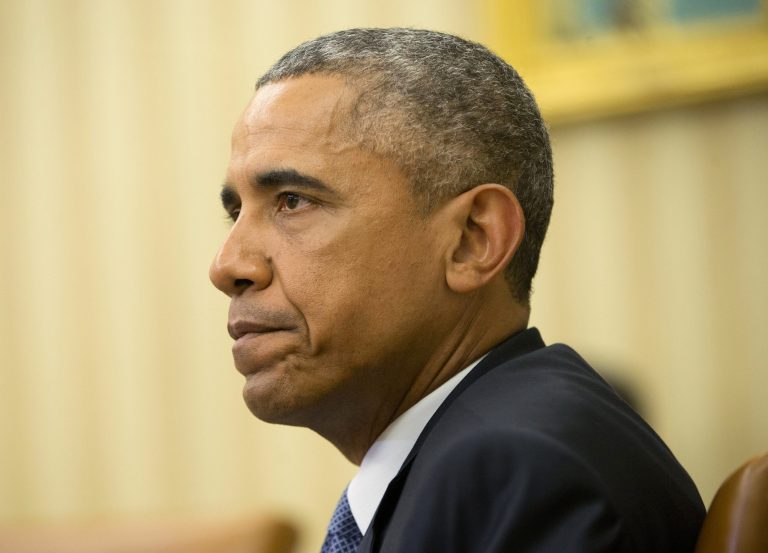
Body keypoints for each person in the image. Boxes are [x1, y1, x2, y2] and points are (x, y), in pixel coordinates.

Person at [209, 28, 705, 553]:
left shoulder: (520, 468)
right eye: (235, 212)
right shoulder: (467, 456)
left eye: (292, 200)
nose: (227, 265)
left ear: (473, 240)